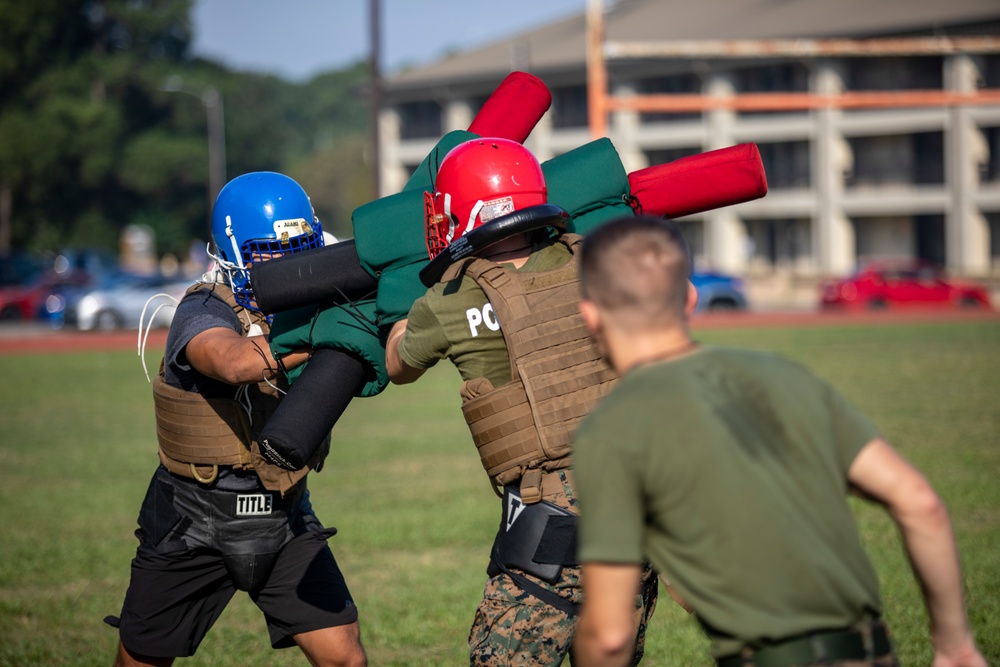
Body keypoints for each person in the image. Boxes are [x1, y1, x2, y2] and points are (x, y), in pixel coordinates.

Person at [570, 215, 987, 667]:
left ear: (589, 314)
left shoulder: (611, 428)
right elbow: (919, 501)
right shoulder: (784, 375)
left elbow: (611, 636)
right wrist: (955, 646)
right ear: (689, 299)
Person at [384, 138, 658, 666]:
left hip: (555, 527)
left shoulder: (448, 299)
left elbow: (399, 366)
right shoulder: (600, 261)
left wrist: (401, 313)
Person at [107, 172, 367, 667]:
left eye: (305, 247)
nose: (293, 263)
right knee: (140, 660)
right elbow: (234, 362)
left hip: (282, 510)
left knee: (344, 656)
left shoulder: (308, 304)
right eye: (273, 250)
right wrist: (325, 331)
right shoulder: (204, 306)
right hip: (193, 516)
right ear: (236, 252)